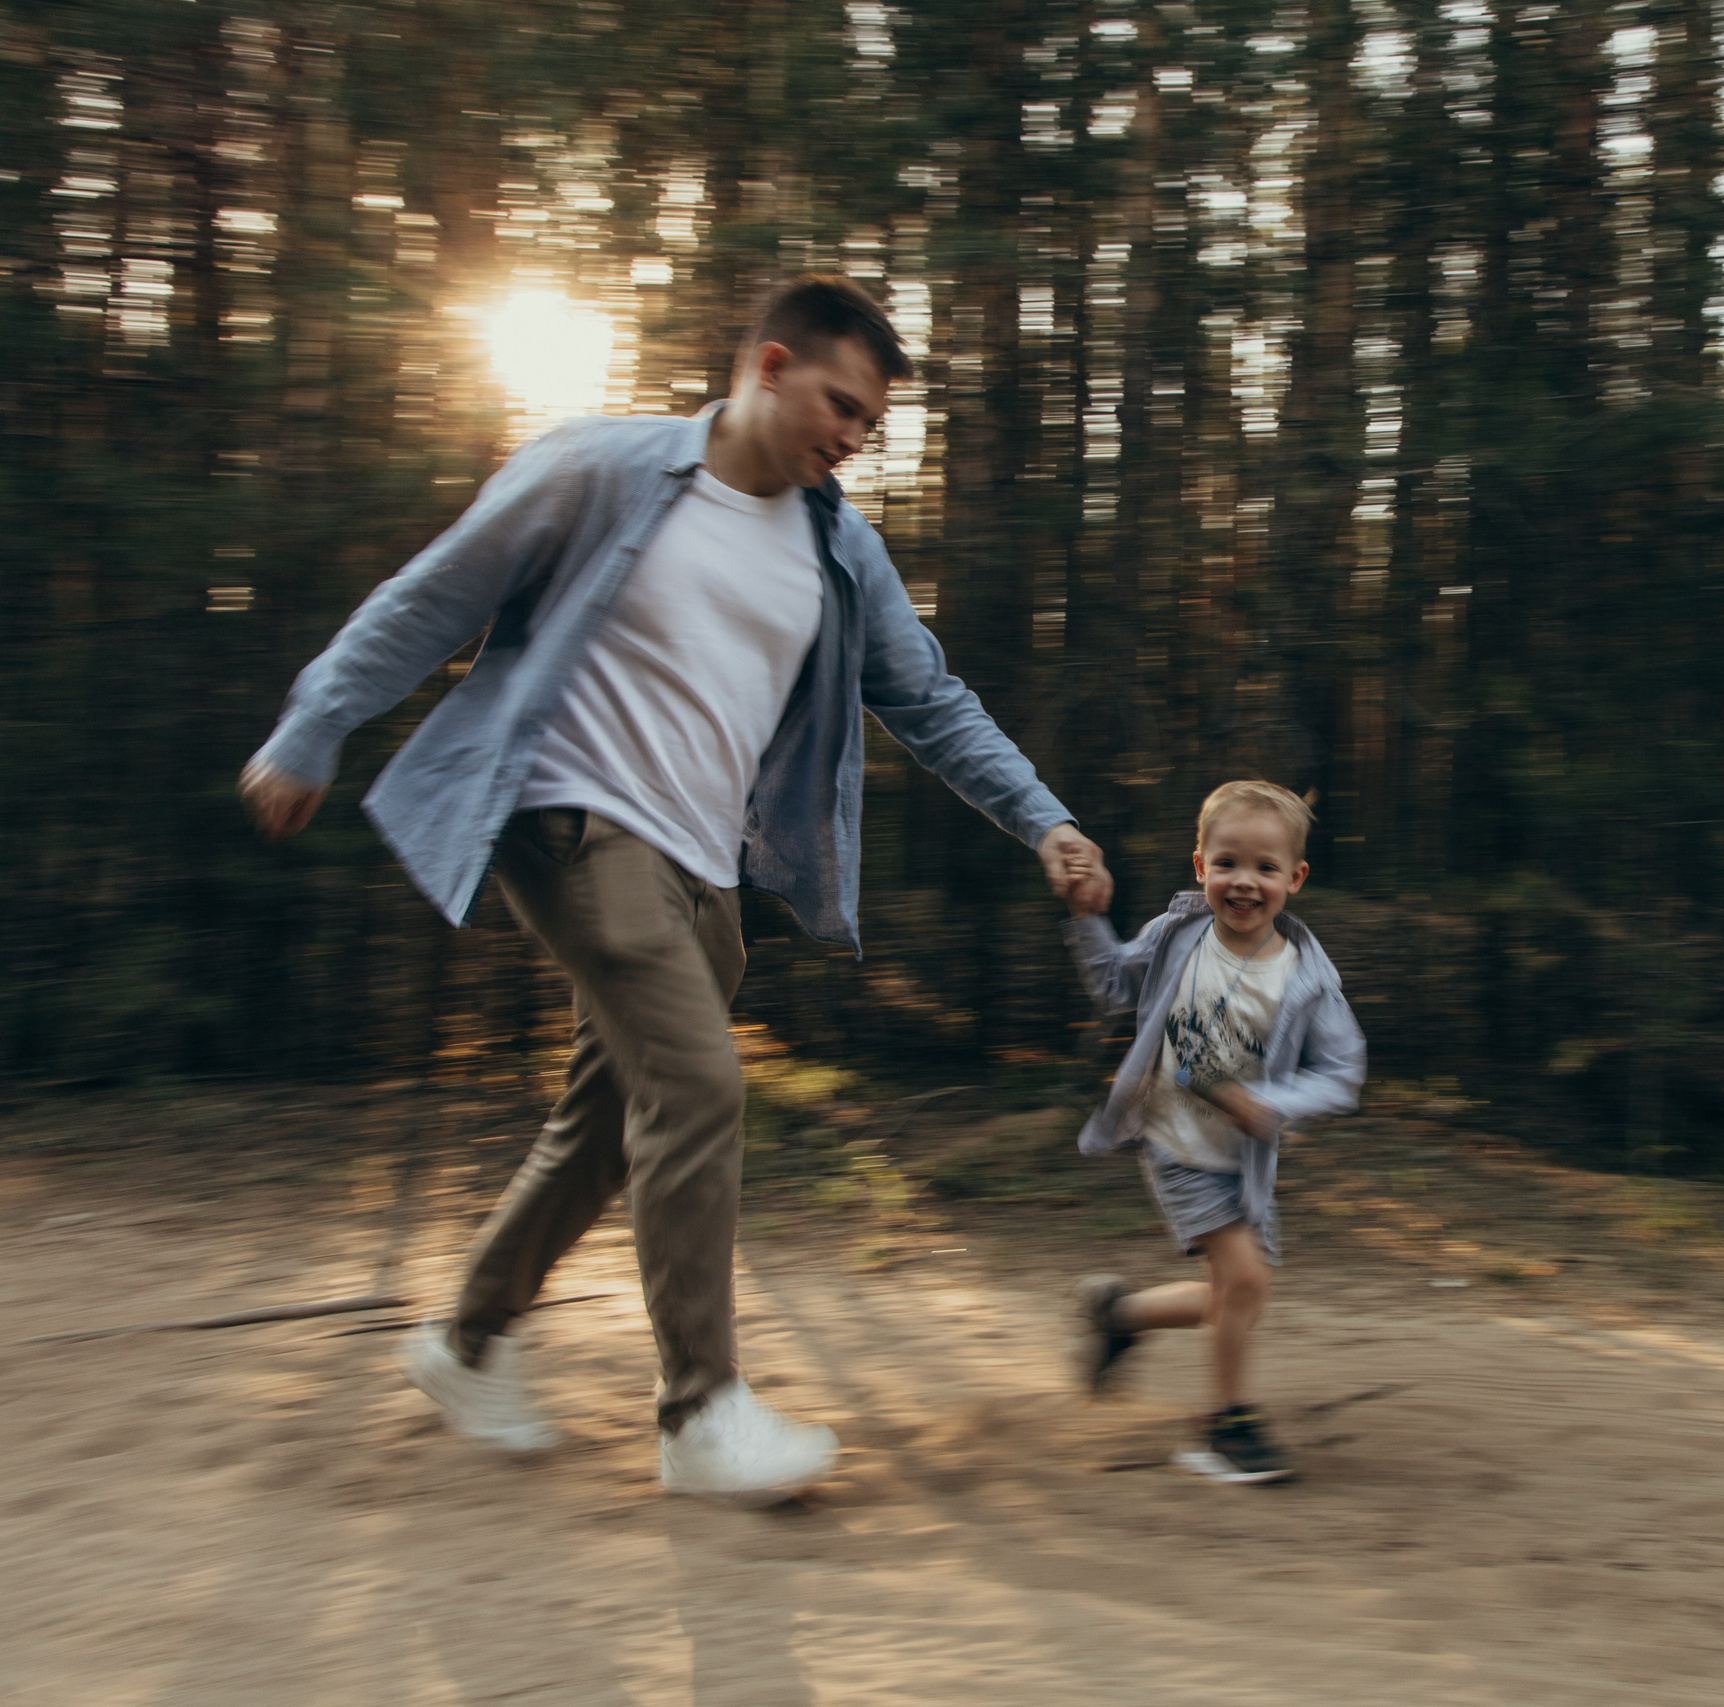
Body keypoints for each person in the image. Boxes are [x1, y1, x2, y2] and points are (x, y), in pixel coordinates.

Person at [238, 275, 1112, 1507]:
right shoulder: (600, 471)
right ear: (768, 366)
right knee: (700, 1082)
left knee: (605, 1122)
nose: (851, 439)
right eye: (840, 406)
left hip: (708, 867)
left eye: (869, 426)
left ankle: (467, 1338)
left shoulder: (836, 545)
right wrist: (311, 729)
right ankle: (701, 1410)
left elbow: (928, 697)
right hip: (571, 818)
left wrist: (1045, 819)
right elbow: (433, 593)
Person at [1062, 780, 1364, 1484]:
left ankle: (1118, 1312)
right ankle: (1223, 1426)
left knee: (1239, 1294)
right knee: (1246, 1278)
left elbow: (1343, 1071)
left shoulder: (1307, 980)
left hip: (1243, 1160)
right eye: (1227, 862)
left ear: (1295, 877)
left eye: (1265, 867)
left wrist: (1272, 1102)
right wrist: (1084, 918)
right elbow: (1112, 983)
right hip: (1176, 1141)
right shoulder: (1178, 937)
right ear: (1200, 866)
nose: (1245, 882)